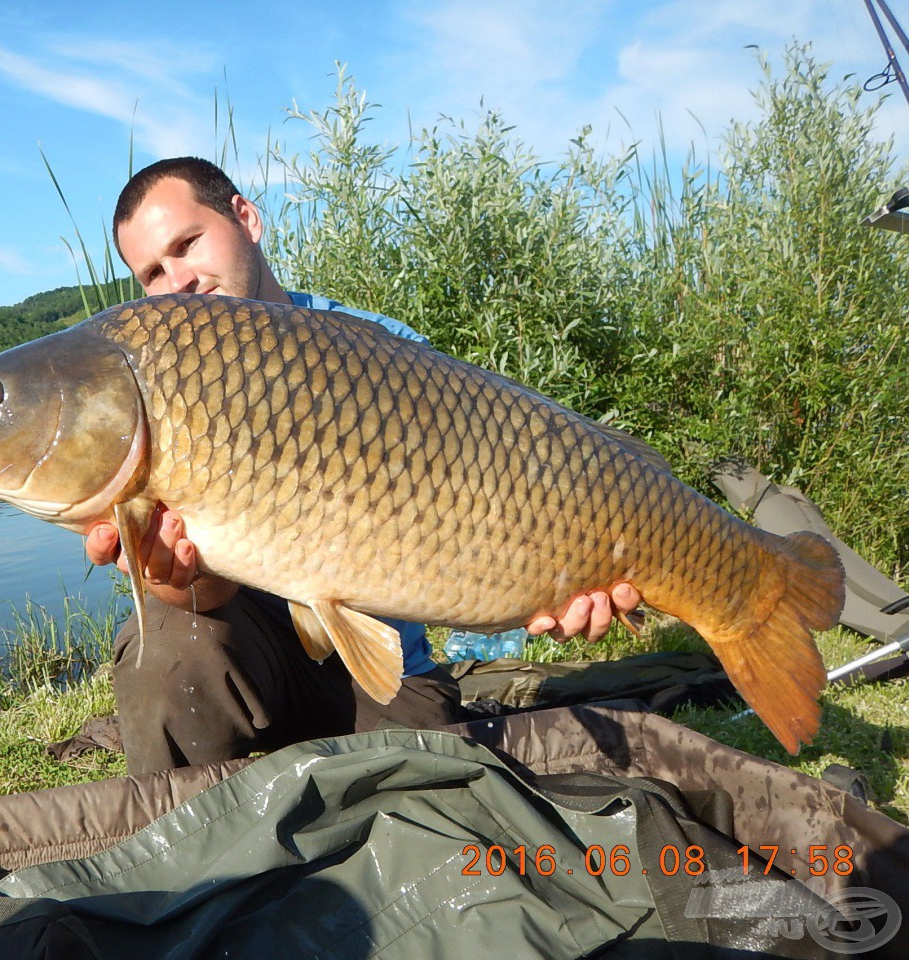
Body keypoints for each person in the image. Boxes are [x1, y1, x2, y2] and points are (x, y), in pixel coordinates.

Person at [86, 157, 641, 775]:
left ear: (246, 218)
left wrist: (560, 576)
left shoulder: (381, 348)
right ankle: (185, 852)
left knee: (432, 800)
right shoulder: (159, 392)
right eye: (153, 273)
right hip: (251, 657)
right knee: (162, 645)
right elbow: (202, 595)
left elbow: (493, 501)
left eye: (187, 245)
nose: (177, 281)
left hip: (383, 668)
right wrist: (168, 572)